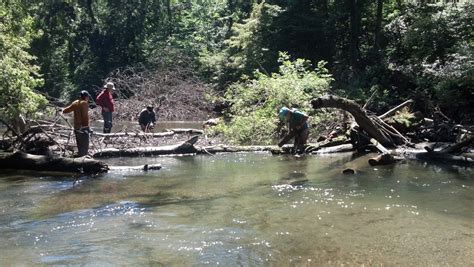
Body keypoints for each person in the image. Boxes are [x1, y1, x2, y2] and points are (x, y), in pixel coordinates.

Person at [63, 90, 92, 157]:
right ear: (85, 97)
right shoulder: (84, 103)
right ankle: (84, 158)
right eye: (88, 97)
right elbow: (85, 116)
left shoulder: (75, 102)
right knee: (84, 145)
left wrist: (61, 110)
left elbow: (65, 110)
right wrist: (87, 127)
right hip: (83, 127)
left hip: (76, 127)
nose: (88, 99)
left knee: (79, 144)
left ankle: (80, 155)